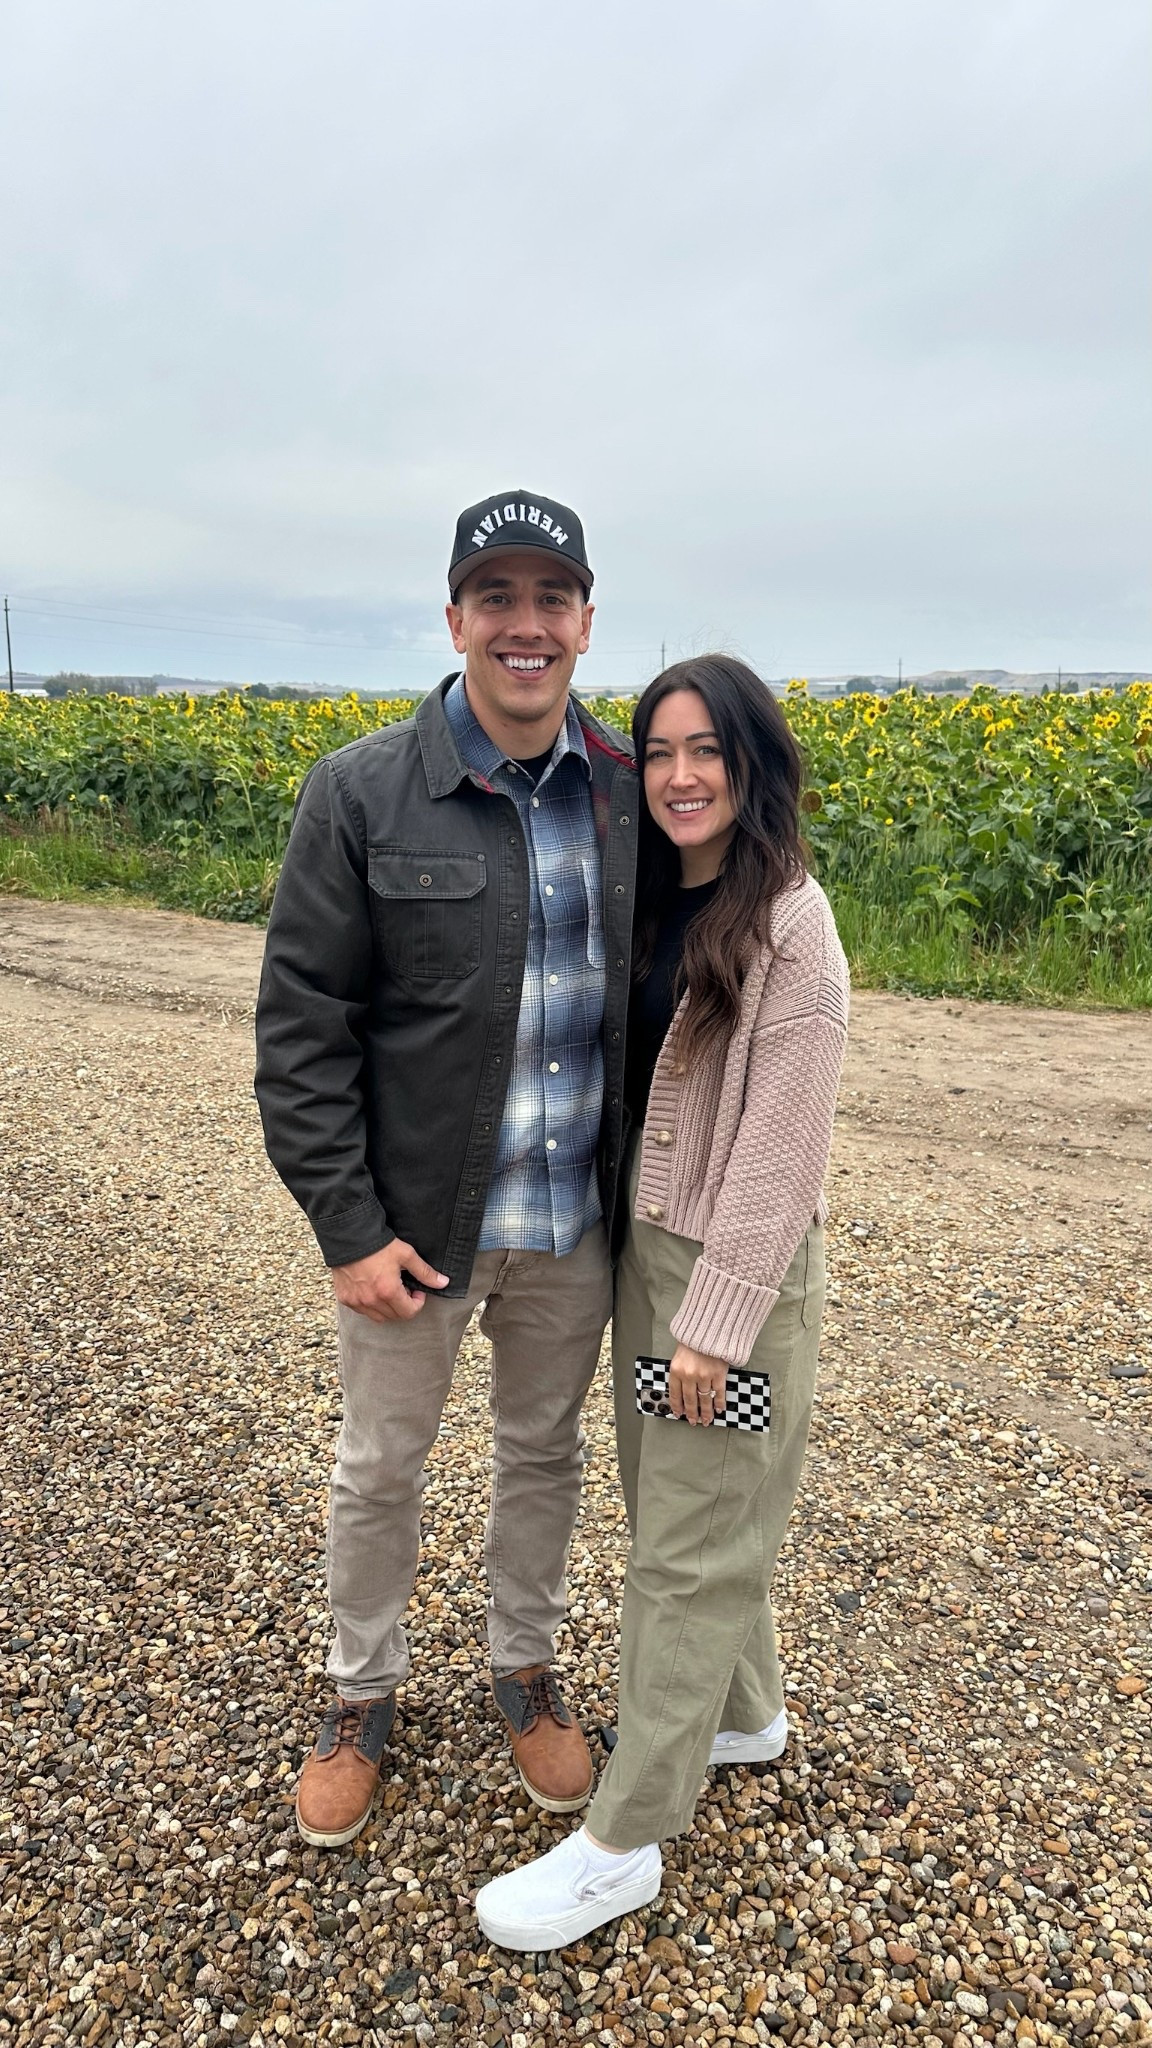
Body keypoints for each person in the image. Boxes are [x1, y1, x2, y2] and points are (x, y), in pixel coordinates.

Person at [254, 491, 637, 1848]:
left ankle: (522, 1666)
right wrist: (347, 1227)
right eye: (498, 600)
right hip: (417, 1229)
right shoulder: (363, 791)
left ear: (586, 621)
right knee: (381, 1464)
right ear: (457, 617)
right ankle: (361, 1694)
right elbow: (303, 1027)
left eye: (551, 600)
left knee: (543, 1453)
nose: (525, 627)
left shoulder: (631, 791)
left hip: (575, 1221)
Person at [476, 656, 850, 1949]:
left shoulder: (790, 922)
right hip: (651, 1261)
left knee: (682, 1547)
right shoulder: (660, 897)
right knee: (681, 1501)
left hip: (722, 1281)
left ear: (752, 768)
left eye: (712, 752)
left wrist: (717, 1319)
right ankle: (746, 1713)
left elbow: (783, 1148)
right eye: (665, 750)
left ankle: (624, 1839)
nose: (684, 775)